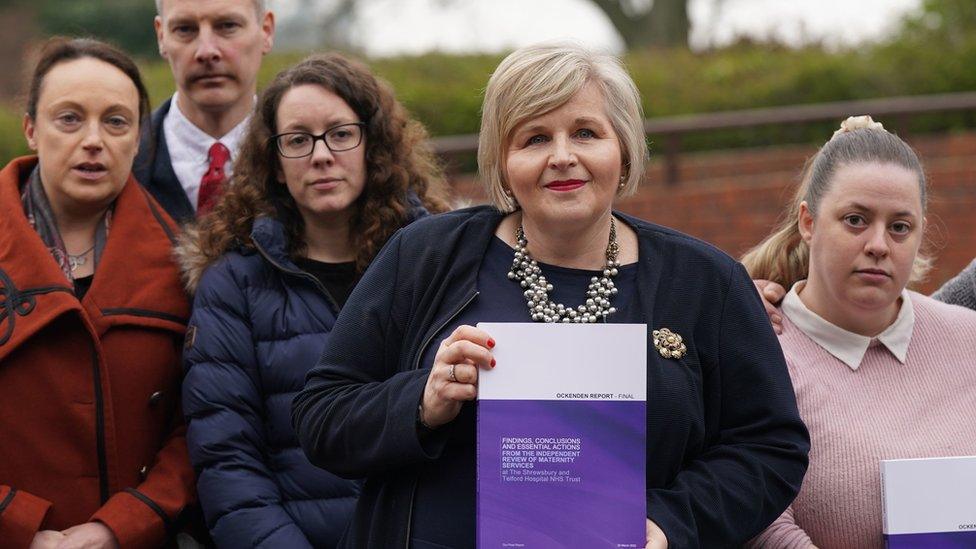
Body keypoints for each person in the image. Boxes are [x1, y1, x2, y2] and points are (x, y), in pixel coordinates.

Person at [292, 42, 810, 549]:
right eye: (535, 138)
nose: (563, 157)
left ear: (624, 150)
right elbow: (321, 415)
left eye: (586, 133)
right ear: (502, 161)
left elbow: (769, 447)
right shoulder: (428, 255)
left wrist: (671, 522)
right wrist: (422, 401)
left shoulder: (704, 281)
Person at [179, 53, 449, 548]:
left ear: (374, 146)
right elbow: (228, 460)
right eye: (298, 140)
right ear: (275, 165)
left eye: (341, 133)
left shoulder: (438, 262)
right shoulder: (235, 284)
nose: (322, 155)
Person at [742, 116, 976, 548]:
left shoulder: (969, 338)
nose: (879, 244)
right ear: (808, 223)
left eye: (900, 227)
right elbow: (760, 522)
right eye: (855, 220)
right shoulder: (761, 350)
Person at [0, 38, 193, 548]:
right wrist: (19, 528)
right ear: (31, 130)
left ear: (138, 139)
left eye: (116, 121)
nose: (93, 140)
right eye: (69, 118)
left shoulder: (185, 263)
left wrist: (120, 527)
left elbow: (203, 424)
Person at [135, 0, 275, 223]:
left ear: (266, 31)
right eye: (185, 29)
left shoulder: (301, 160)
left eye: (228, 26)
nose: (207, 51)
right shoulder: (121, 161)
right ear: (162, 37)